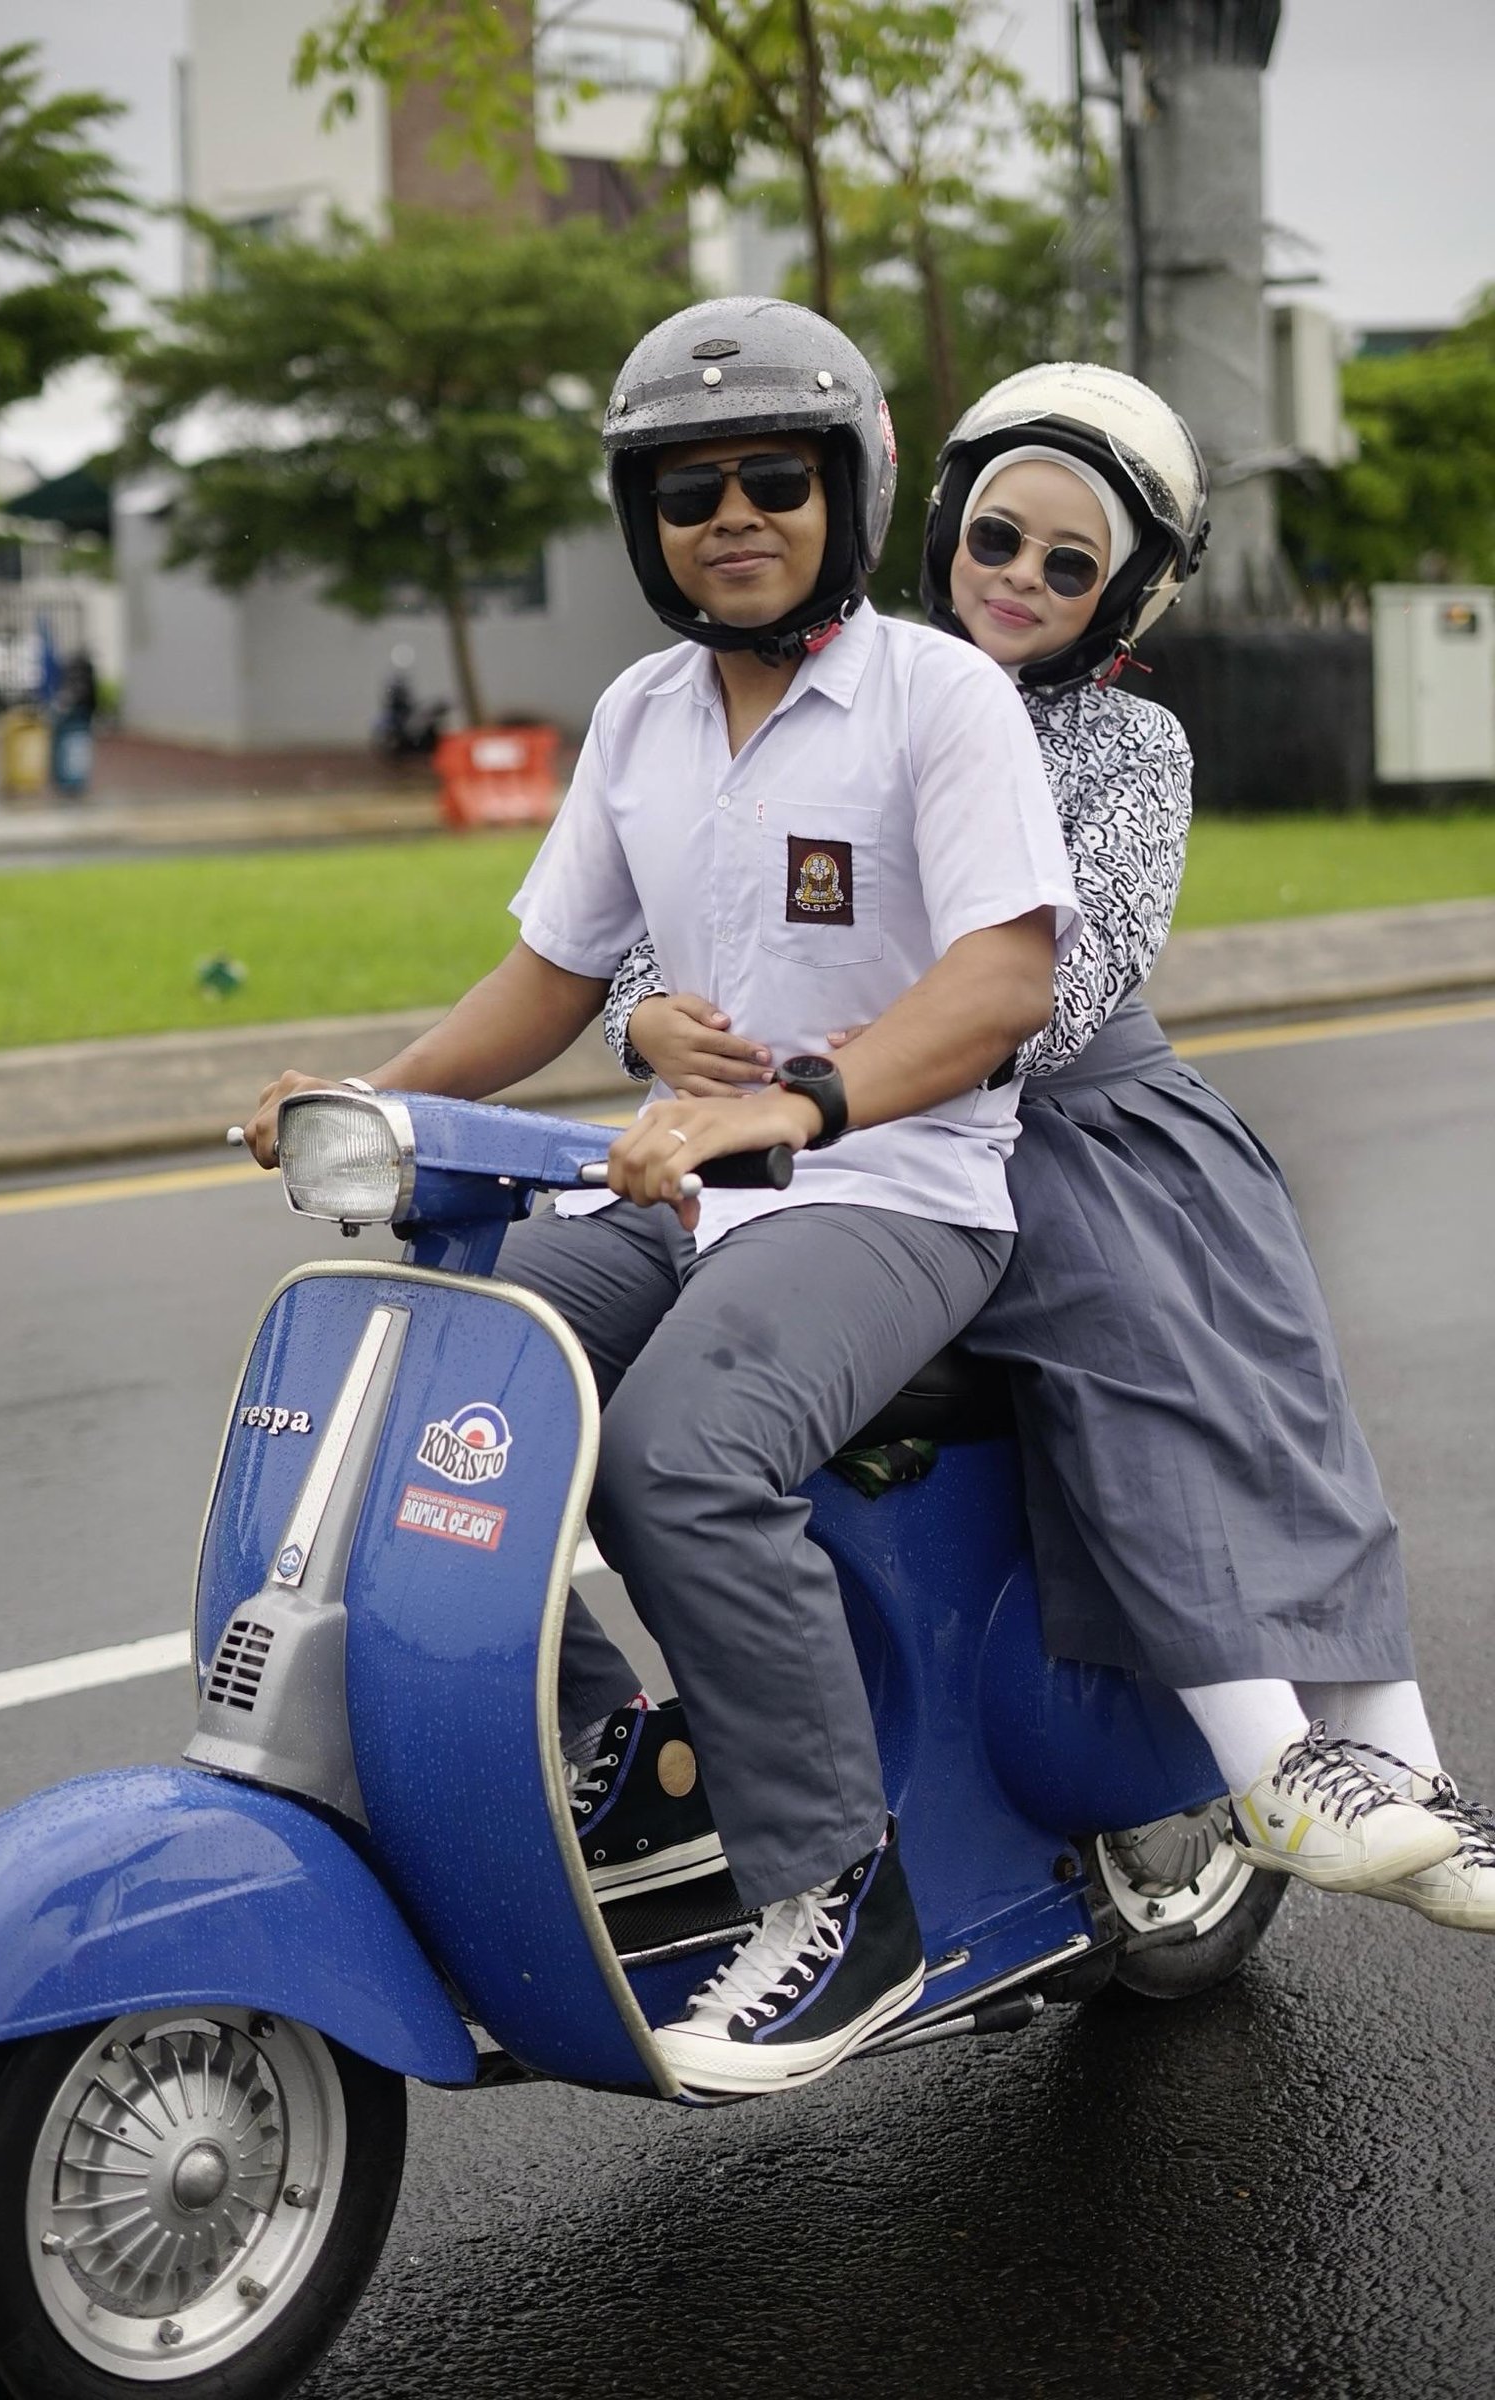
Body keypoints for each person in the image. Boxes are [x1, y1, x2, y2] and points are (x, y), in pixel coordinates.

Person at [243, 297, 1081, 2095]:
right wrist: (371, 1098)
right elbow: (553, 977)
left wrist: (797, 1100)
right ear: (647, 523)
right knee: (431, 1385)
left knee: (679, 1454)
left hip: (897, 1192)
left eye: (776, 478)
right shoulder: (640, 715)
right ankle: (619, 1748)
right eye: (689, 491)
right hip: (694, 1188)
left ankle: (842, 1897)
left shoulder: (938, 696)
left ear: (846, 494)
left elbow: (1007, 977)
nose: (734, 516)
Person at [602, 359, 1495, 1928]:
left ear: (1123, 601)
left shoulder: (1128, 745)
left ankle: (1379, 1759)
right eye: (997, 539)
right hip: (869, 1125)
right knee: (1106, 1346)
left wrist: (843, 1059)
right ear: (940, 526)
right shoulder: (838, 697)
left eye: (1070, 566)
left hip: (1078, 1120)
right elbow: (671, 909)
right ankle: (1268, 1753)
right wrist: (648, 1019)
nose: (1018, 578)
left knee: (1234, 1377)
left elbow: (1069, 981)